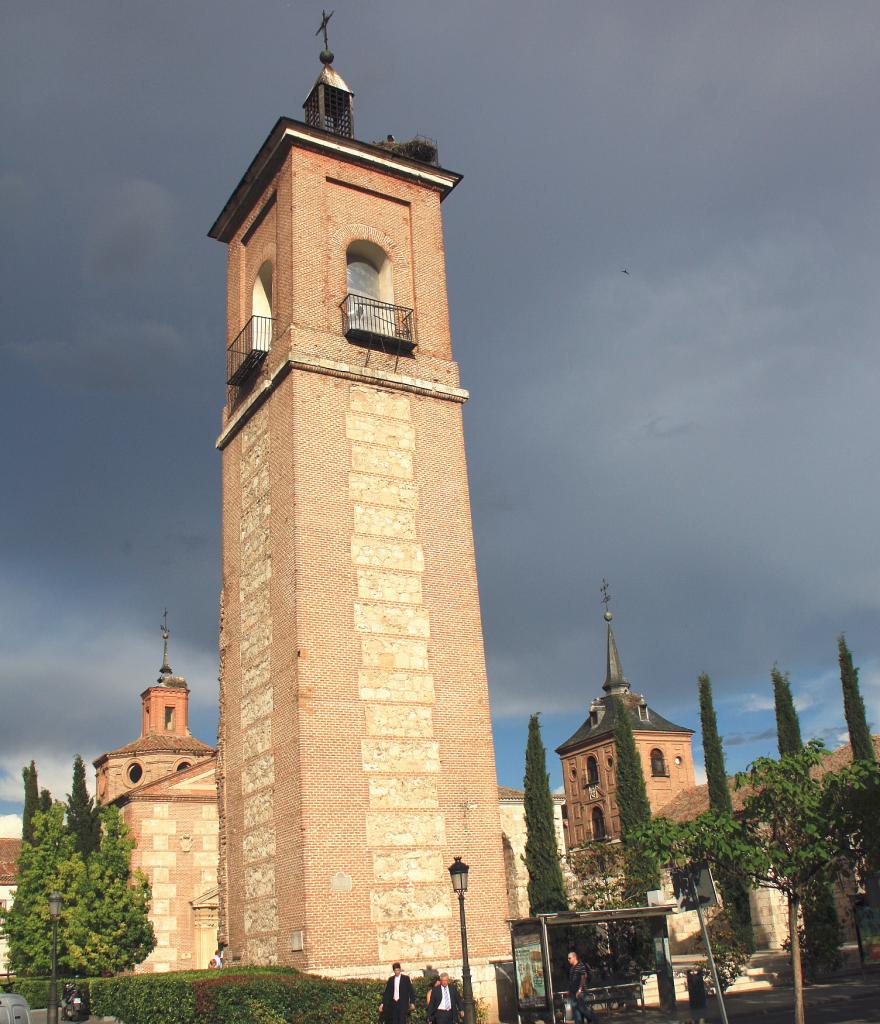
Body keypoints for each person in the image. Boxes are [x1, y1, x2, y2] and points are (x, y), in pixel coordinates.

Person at [567, 950, 596, 1024]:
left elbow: (583, 978)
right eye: (568, 958)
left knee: (583, 1009)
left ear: (574, 957)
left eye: (569, 958)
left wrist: (579, 990)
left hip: (581, 992)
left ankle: (595, 1019)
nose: (568, 960)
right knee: (576, 1012)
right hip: (573, 992)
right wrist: (569, 990)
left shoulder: (581, 965)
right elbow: (571, 981)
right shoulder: (571, 968)